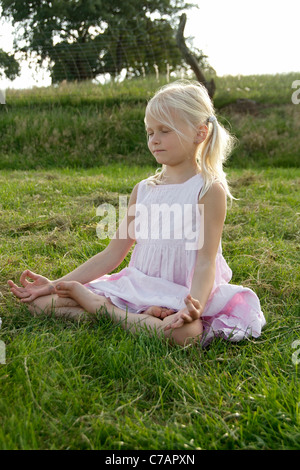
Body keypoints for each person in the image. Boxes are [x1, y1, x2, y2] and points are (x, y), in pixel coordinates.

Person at [7, 80, 266, 347]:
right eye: (150, 132)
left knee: (186, 335)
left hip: (184, 292)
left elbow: (205, 262)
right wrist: (53, 285)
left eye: (165, 131)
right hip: (139, 286)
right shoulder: (143, 190)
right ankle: (126, 315)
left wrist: (194, 307)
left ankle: (101, 309)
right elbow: (111, 254)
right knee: (40, 304)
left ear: (200, 133)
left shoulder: (208, 190)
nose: (154, 140)